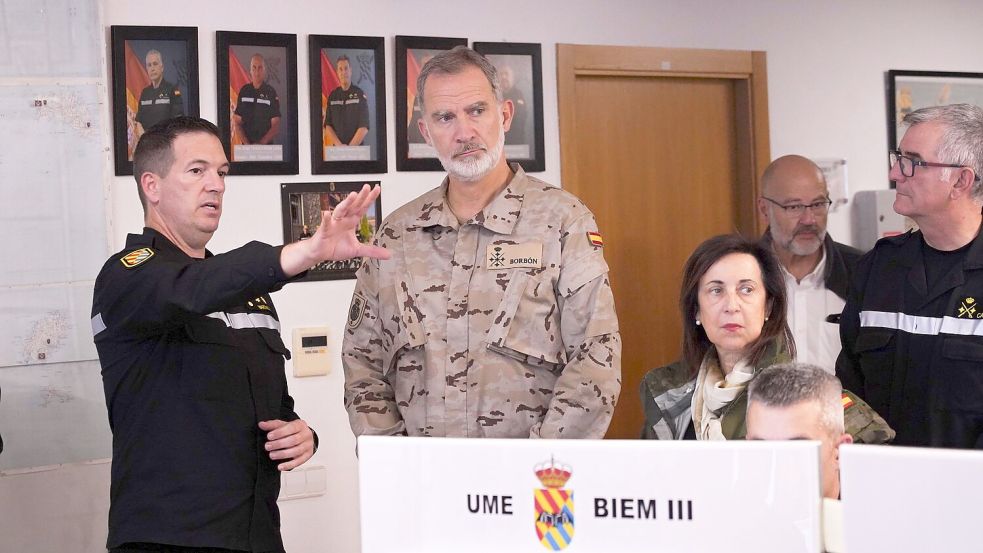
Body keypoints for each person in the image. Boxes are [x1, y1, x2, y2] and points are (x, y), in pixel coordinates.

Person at [92, 116, 387, 552]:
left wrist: (300, 432)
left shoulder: (247, 295)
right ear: (151, 186)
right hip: (168, 539)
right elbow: (189, 290)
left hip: (255, 535)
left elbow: (270, 407)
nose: (216, 185)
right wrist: (307, 250)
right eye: (197, 171)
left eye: (222, 172)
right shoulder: (127, 277)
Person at [342, 46, 621, 439]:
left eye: (476, 110)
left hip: (527, 484)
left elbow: (596, 358)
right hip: (422, 484)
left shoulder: (564, 222)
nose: (464, 132)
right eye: (445, 117)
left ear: (504, 115)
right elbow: (362, 363)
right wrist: (396, 465)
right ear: (426, 131)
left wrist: (538, 470)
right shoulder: (396, 235)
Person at [837, 103, 983, 449]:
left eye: (913, 162)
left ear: (961, 180)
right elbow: (847, 388)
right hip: (881, 484)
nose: (895, 174)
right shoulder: (878, 269)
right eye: (898, 158)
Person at [640, 234, 794, 440]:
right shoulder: (669, 392)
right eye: (716, 290)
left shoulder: (801, 393)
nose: (731, 306)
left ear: (768, 306)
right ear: (696, 310)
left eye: (746, 290)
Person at [758, 155, 862, 372]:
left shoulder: (863, 273)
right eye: (794, 207)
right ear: (764, 209)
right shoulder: (740, 277)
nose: (809, 219)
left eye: (817, 204)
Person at [746, 362, 895, 500]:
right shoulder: (732, 520)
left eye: (797, 451)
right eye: (762, 451)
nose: (777, 470)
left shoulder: (882, 522)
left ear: (839, 451)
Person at [134, 49, 184, 139]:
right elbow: (138, 122)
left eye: (155, 64)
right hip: (148, 143)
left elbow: (178, 122)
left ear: (162, 67)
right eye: (149, 65)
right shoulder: (145, 93)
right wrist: (145, 138)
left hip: (165, 142)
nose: (152, 68)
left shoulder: (172, 90)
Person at [233, 54, 281, 145]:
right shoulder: (244, 91)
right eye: (254, 68)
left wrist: (261, 143)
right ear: (250, 70)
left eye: (260, 68)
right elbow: (237, 122)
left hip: (267, 147)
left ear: (264, 70)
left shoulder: (271, 92)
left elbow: (276, 125)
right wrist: (247, 145)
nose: (256, 71)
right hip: (246, 148)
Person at [324, 55, 369, 147]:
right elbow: (328, 125)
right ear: (337, 72)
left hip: (357, 151)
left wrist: (349, 148)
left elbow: (364, 126)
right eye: (340, 69)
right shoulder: (333, 96)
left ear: (350, 70)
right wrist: (339, 146)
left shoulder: (359, 94)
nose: (343, 72)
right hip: (337, 151)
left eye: (346, 68)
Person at [497, 64, 528, 146]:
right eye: (501, 74)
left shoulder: (519, 95)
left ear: (512, 78)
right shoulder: (493, 96)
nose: (504, 77)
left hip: (516, 142)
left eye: (506, 74)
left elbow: (520, 120)